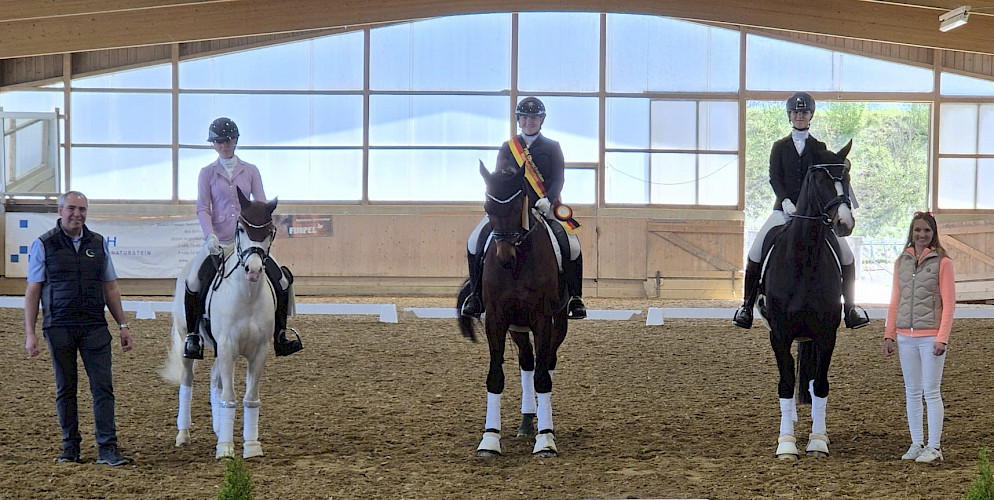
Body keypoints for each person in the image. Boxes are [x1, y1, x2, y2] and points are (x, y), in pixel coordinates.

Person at [733, 91, 869, 330]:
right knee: (755, 251)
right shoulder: (779, 147)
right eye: (796, 112)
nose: (799, 116)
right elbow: (775, 177)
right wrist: (785, 200)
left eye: (804, 112)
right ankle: (746, 306)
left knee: (847, 255)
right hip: (783, 210)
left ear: (810, 116)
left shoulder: (819, 147)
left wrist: (843, 166)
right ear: (790, 115)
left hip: (815, 215)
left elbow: (828, 174)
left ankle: (850, 308)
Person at [23, 191, 133, 466]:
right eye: (71, 208)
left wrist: (122, 325)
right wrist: (30, 333)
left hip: (94, 326)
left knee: (103, 388)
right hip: (59, 326)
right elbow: (33, 289)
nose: (77, 214)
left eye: (82, 209)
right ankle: (70, 447)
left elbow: (110, 286)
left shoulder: (98, 243)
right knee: (66, 388)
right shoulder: (43, 244)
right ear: (60, 211)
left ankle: (107, 448)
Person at [183, 117, 302, 359]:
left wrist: (260, 230)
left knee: (281, 281)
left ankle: (280, 334)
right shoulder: (207, 173)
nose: (223, 145)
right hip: (220, 241)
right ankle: (193, 336)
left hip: (249, 242)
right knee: (194, 280)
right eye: (218, 142)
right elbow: (203, 208)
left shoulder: (250, 170)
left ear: (235, 141)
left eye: (227, 140)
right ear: (213, 144)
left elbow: (261, 202)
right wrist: (209, 235)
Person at [461, 96, 586, 320]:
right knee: (474, 241)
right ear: (519, 119)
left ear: (542, 120)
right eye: (525, 117)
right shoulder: (508, 147)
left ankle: (575, 298)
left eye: (534, 117)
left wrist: (548, 199)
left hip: (543, 206)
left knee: (572, 244)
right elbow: (499, 177)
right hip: (510, 207)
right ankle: (475, 295)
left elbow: (558, 178)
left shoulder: (552, 147)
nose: (529, 122)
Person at [883, 211, 955, 464]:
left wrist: (942, 337)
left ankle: (934, 446)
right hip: (905, 336)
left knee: (931, 392)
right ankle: (917, 443)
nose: (921, 234)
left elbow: (949, 303)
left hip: (931, 336)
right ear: (911, 232)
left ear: (933, 233)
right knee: (912, 392)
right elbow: (895, 300)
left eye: (926, 230)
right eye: (917, 230)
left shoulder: (943, 263)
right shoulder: (900, 262)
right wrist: (889, 333)